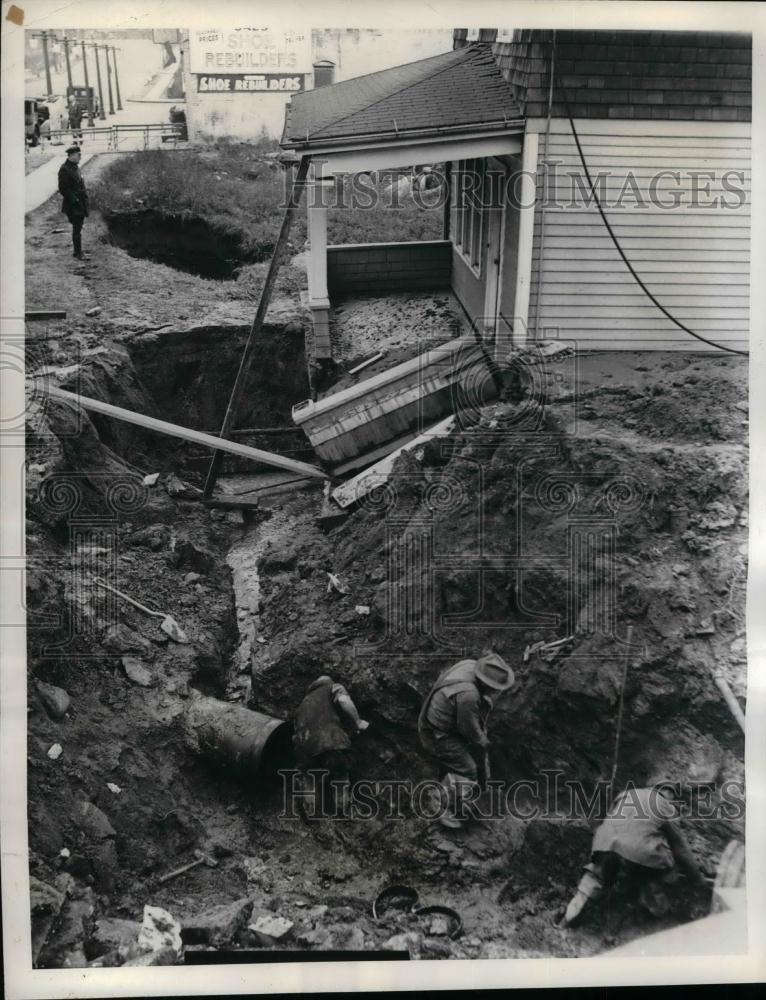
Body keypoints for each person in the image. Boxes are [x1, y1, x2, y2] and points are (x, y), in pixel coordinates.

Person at [563, 777, 709, 929]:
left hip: (605, 842)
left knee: (595, 877)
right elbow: (680, 848)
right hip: (639, 852)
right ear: (669, 794)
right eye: (673, 795)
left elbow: (610, 820)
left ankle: (567, 919)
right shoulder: (667, 807)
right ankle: (655, 909)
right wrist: (697, 878)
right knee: (665, 868)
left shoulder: (627, 794)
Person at [418, 652, 515, 828]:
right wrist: (483, 741)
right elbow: (467, 729)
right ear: (485, 682)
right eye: (494, 687)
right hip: (438, 735)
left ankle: (466, 789)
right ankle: (440, 804)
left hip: (445, 718)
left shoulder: (469, 664)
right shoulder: (469, 696)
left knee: (473, 755)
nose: (496, 691)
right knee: (469, 769)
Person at [292, 675, 369, 818]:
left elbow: (295, 735)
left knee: (310, 778)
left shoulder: (301, 706)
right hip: (331, 742)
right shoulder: (332, 687)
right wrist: (358, 722)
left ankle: (310, 814)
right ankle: (343, 812)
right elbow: (343, 700)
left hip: (305, 751)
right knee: (339, 774)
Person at [57, 146, 89, 260]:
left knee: (78, 227)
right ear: (70, 156)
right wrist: (74, 200)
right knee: (77, 228)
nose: (80, 157)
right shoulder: (64, 169)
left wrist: (84, 197)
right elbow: (63, 188)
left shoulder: (75, 167)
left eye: (80, 154)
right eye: (77, 154)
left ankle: (78, 251)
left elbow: (81, 183)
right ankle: (78, 252)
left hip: (80, 201)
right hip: (73, 203)